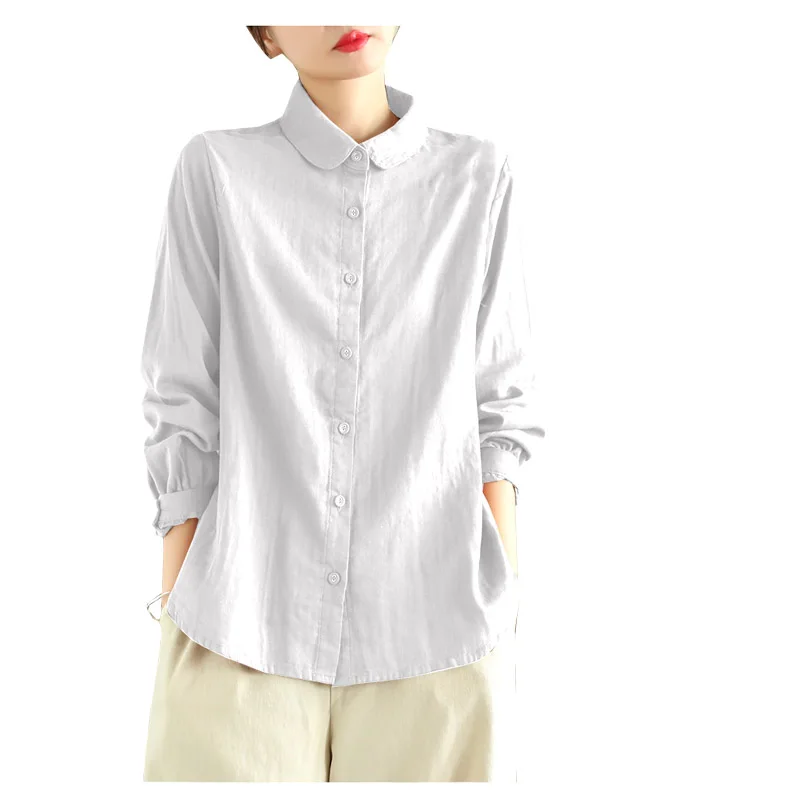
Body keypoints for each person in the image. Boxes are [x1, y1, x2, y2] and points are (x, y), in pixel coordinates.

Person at [141, 24, 544, 782]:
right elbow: (181, 401)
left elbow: (500, 410)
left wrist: (504, 599)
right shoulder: (216, 171)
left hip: (443, 637)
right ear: (265, 31)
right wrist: (177, 599)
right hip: (236, 629)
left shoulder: (479, 179)